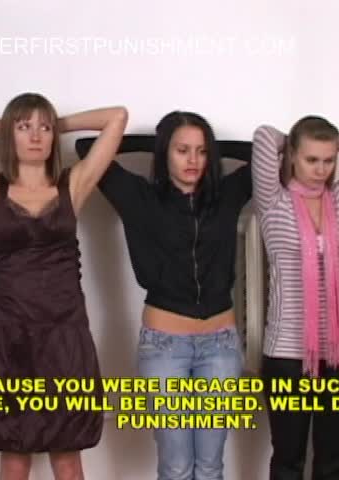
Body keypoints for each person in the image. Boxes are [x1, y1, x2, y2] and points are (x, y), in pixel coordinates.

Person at [0, 93, 128, 480]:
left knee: (68, 464)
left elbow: (116, 117)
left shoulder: (73, 186)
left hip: (65, 336)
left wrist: (58, 122)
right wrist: (1, 125)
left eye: (44, 128)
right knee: (15, 463)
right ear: (10, 135)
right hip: (8, 338)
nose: (36, 136)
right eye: (24, 127)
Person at [75, 110, 252, 480]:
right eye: (181, 150)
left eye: (201, 151)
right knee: (176, 467)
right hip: (164, 347)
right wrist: (156, 143)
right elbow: (87, 147)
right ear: (164, 153)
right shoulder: (138, 197)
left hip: (220, 345)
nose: (193, 160)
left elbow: (270, 154)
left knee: (210, 466)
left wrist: (212, 147)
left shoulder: (227, 195)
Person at [251, 116, 339, 480]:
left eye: (329, 160)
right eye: (311, 159)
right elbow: (264, 136)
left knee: (333, 460)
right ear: (292, 156)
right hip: (287, 352)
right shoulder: (272, 200)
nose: (321, 169)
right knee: (289, 459)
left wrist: (334, 140)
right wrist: (294, 138)